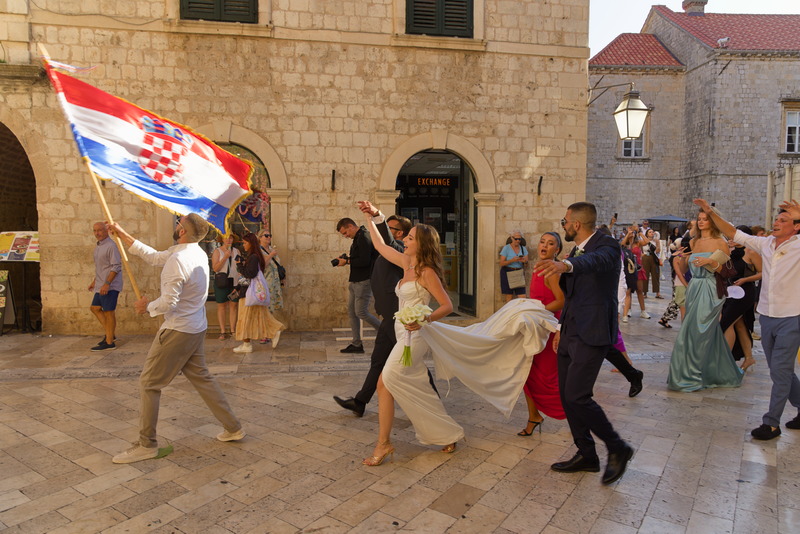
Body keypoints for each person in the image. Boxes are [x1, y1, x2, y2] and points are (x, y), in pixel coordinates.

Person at [361, 210, 558, 466]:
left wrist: (423, 320)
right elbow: (379, 245)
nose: (405, 240)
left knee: (385, 382)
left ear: (421, 244)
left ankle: (384, 443)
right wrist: (371, 216)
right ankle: (447, 435)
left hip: (415, 336)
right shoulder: (406, 263)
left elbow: (446, 305)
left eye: (410, 238)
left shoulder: (426, 272)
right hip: (401, 332)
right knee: (414, 386)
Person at [108, 214, 245, 464]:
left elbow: (168, 302)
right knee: (202, 378)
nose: (176, 226)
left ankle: (147, 444)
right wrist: (122, 234)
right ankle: (233, 427)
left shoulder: (178, 260)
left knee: (149, 383)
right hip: (195, 327)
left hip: (178, 330)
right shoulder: (195, 253)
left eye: (178, 223)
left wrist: (146, 307)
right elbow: (153, 256)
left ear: (182, 231)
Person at [534, 201, 634, 485]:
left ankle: (618, 447)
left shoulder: (607, 246)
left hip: (593, 332)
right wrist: (560, 329)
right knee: (567, 396)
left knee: (578, 395)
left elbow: (594, 262)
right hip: (570, 331)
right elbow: (572, 296)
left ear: (576, 224)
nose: (563, 226)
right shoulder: (576, 250)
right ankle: (586, 454)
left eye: (565, 222)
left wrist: (565, 265)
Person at [695, 198, 800, 440]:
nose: (776, 222)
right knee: (779, 369)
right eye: (776, 218)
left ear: (796, 226)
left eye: (783, 220)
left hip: (792, 316)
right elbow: (732, 232)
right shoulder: (766, 243)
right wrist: (711, 212)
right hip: (768, 316)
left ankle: (771, 424)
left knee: (781, 371)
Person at [333, 204, 417, 417]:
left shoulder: (400, 250)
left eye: (389, 227)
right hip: (389, 317)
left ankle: (432, 405)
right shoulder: (385, 250)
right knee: (378, 361)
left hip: (397, 317)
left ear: (399, 233)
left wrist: (376, 216)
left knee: (414, 366)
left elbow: (385, 240)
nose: (385, 230)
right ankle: (360, 402)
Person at [667, 209, 743, 392]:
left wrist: (709, 262)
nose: (700, 222)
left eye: (705, 219)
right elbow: (685, 269)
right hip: (694, 287)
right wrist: (682, 258)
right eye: (699, 219)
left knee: (699, 331)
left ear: (712, 222)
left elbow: (727, 272)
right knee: (700, 331)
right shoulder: (694, 241)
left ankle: (692, 375)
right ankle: (716, 372)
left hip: (711, 289)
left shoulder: (720, 242)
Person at [518, 232, 566, 436]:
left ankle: (579, 414)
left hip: (548, 331)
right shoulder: (538, 267)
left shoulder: (552, 272)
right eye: (542, 242)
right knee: (527, 376)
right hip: (536, 328)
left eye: (551, 243)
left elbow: (562, 301)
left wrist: (538, 312)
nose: (544, 246)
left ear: (557, 249)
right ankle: (534, 416)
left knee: (548, 380)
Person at [233, 233, 285, 353]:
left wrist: (239, 265)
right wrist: (238, 287)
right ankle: (273, 331)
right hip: (252, 292)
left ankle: (247, 344)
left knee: (244, 319)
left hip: (249, 294)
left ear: (251, 243)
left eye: (245, 243)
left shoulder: (253, 257)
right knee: (260, 316)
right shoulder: (255, 256)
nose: (244, 245)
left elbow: (250, 274)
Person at [719, 226, 762, 372]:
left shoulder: (751, 252)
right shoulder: (730, 251)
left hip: (745, 292)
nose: (732, 239)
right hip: (730, 292)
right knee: (740, 325)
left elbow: (763, 272)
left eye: (735, 236)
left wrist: (745, 279)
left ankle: (725, 361)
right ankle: (749, 358)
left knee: (726, 323)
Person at [335, 218, 380, 354]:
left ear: (350, 226)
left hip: (363, 281)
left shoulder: (364, 237)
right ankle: (356, 344)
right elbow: (359, 258)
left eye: (345, 232)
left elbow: (365, 261)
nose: (345, 236)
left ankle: (388, 332)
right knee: (352, 312)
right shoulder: (358, 237)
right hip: (356, 280)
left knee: (361, 312)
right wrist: (347, 259)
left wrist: (347, 261)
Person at [89, 221, 123, 351]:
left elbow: (116, 267)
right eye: (95, 230)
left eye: (100, 230)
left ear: (106, 231)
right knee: (95, 308)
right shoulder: (99, 246)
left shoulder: (111, 246)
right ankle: (110, 334)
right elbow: (102, 267)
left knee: (109, 312)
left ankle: (109, 342)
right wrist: (95, 281)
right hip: (100, 284)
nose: (97, 233)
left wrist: (107, 284)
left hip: (110, 285)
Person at [211, 232, 240, 340]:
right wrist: (225, 257)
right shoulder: (217, 251)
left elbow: (239, 267)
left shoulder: (236, 251)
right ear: (222, 239)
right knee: (222, 306)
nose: (228, 240)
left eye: (230, 238)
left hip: (234, 282)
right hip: (222, 281)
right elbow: (215, 268)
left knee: (234, 305)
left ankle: (233, 330)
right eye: (226, 238)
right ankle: (223, 331)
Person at [258, 229, 283, 344]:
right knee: (265, 309)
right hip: (265, 282)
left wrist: (282, 278)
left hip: (274, 282)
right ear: (260, 237)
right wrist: (270, 255)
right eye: (266, 235)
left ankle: (269, 332)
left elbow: (277, 265)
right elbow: (262, 265)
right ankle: (265, 333)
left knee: (271, 308)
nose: (269, 237)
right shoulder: (258, 251)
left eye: (270, 235)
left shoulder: (272, 249)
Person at [499, 230, 529, 302]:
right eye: (516, 239)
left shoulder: (523, 248)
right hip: (507, 272)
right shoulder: (506, 248)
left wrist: (524, 261)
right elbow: (501, 263)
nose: (518, 241)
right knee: (509, 296)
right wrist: (512, 260)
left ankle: (521, 309)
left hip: (518, 272)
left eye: (519, 239)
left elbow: (526, 263)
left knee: (522, 296)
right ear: (511, 238)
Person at [641, 228, 663, 298]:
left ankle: (657, 292)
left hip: (653, 258)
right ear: (647, 234)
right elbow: (641, 250)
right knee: (645, 275)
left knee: (655, 275)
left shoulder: (656, 241)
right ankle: (644, 292)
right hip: (645, 258)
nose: (651, 233)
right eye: (650, 232)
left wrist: (657, 244)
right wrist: (642, 255)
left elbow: (658, 251)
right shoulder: (643, 241)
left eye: (652, 232)